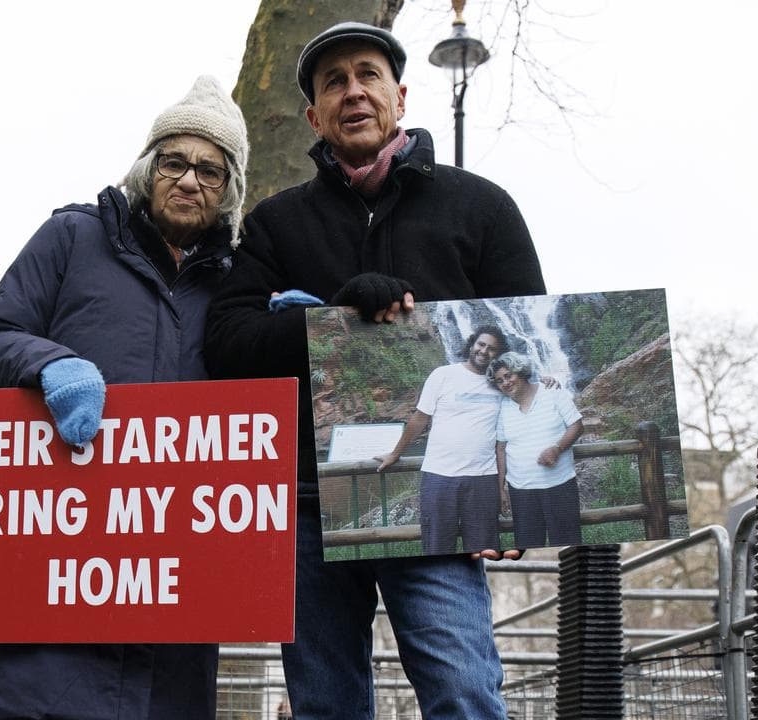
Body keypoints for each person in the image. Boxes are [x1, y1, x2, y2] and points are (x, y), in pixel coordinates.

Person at [205, 21, 545, 719]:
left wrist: (515, 500)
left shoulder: (482, 207)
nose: (352, 91)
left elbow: (526, 353)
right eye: (334, 82)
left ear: (400, 96)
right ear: (313, 115)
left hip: (442, 492)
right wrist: (331, 321)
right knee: (325, 703)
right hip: (307, 502)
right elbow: (228, 341)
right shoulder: (273, 225)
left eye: (367, 75)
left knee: (464, 691)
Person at [0, 75, 248, 720]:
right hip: (46, 580)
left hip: (169, 598)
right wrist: (52, 363)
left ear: (230, 194)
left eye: (211, 171)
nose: (190, 181)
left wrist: (295, 331)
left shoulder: (241, 284)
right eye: (175, 162)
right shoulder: (72, 238)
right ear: (145, 168)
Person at [375, 325, 511, 556]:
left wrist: (547, 382)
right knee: (437, 549)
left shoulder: (501, 384)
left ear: (498, 355)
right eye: (481, 344)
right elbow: (419, 419)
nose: (484, 351)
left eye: (492, 349)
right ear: (472, 344)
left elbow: (527, 392)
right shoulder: (443, 374)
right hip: (439, 476)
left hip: (483, 479)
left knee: (483, 550)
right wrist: (395, 454)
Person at [489, 352, 585, 548]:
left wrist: (557, 449)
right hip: (521, 492)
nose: (505, 383)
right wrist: (500, 489)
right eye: (499, 381)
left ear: (521, 372)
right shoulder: (503, 407)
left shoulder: (551, 392)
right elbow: (501, 448)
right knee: (529, 547)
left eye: (508, 376)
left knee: (568, 545)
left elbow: (577, 425)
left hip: (560, 486)